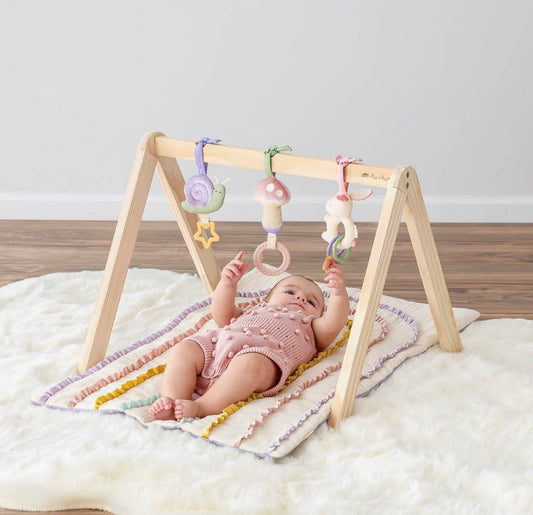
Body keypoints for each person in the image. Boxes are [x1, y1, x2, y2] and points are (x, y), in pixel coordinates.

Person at [149, 250, 350, 421]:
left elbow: (334, 322)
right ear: (267, 299)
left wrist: (339, 295)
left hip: (262, 360)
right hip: (216, 348)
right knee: (185, 349)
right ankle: (172, 400)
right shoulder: (254, 309)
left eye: (312, 302)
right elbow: (221, 315)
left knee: (250, 364)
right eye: (290, 292)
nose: (300, 298)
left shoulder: (312, 327)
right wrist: (227, 285)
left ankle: (202, 407)